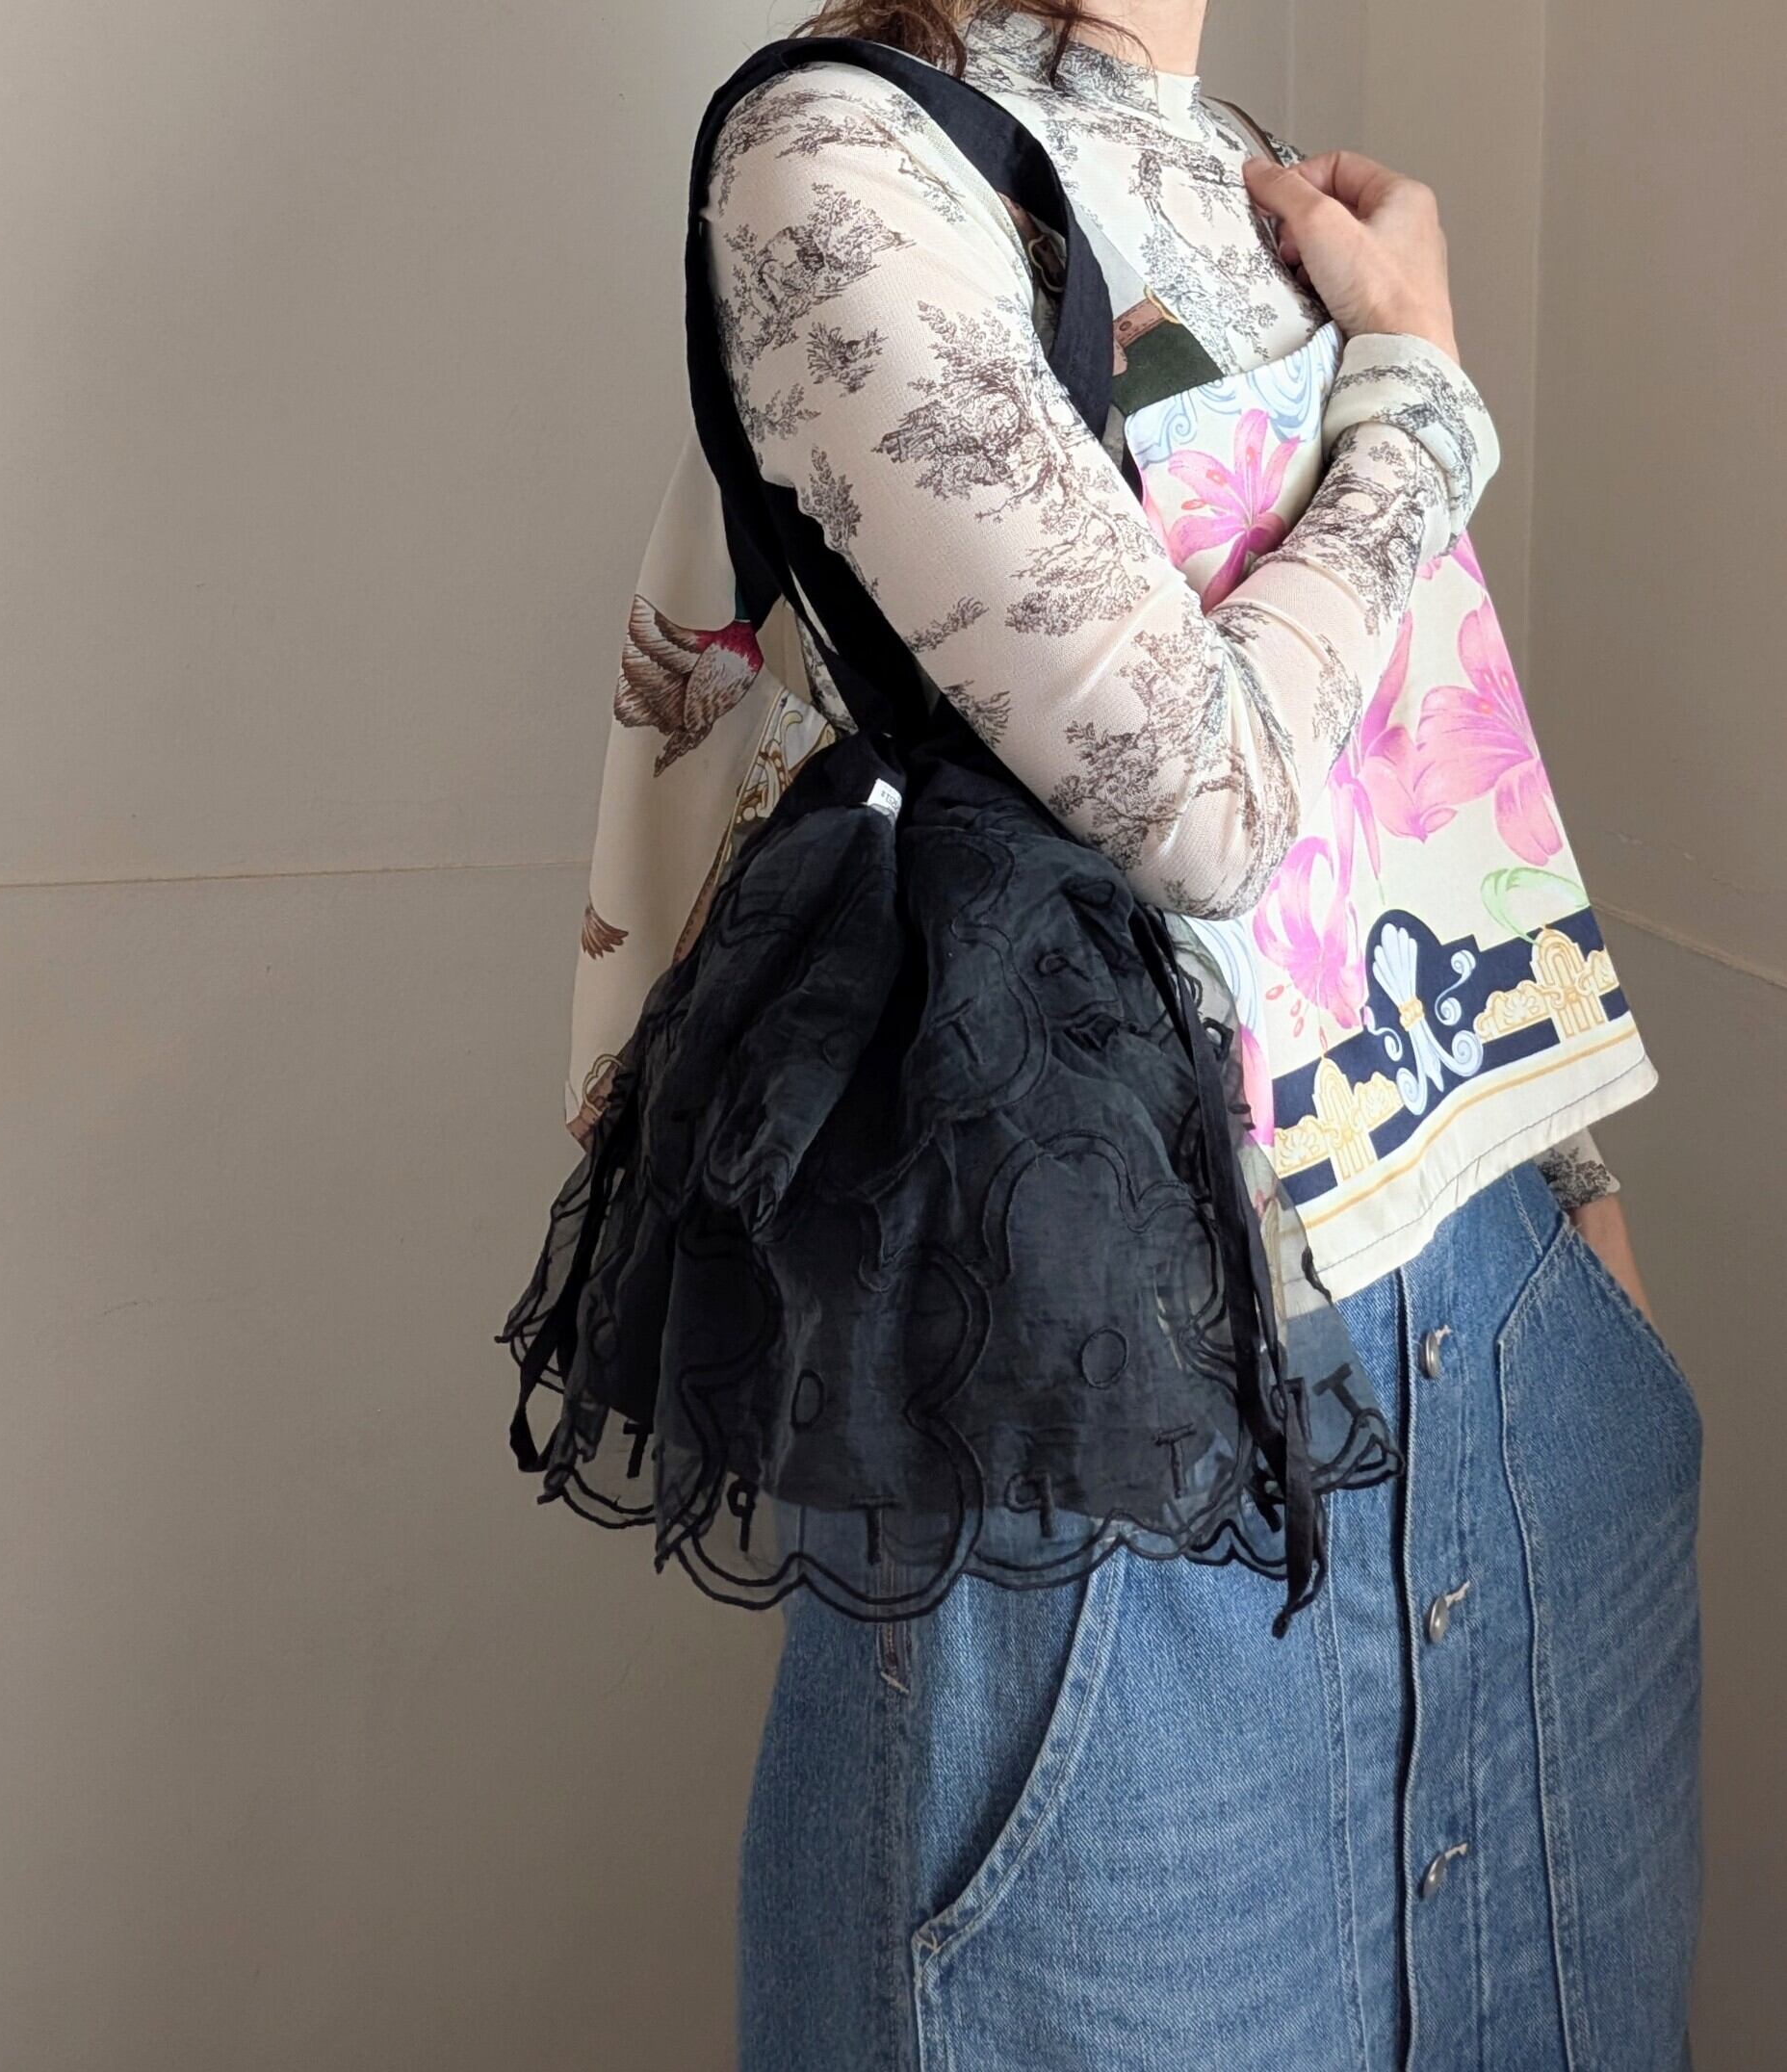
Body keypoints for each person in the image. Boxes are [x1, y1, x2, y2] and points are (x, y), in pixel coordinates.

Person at [557, 5, 1701, 2065]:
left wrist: (1572, 1183)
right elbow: (1203, 798)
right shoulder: (837, 158)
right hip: (1124, 1398)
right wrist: (1419, 395)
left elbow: (1410, 756)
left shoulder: (1235, 162)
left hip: (1506, 1334)